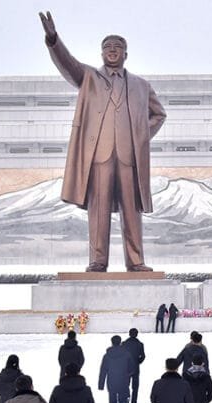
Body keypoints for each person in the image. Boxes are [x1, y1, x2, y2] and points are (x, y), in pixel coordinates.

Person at [38, 11, 166, 273]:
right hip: (99, 156)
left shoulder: (141, 86)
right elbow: (67, 63)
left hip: (129, 158)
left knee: (132, 210)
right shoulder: (89, 78)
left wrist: (140, 136)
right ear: (101, 53)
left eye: (117, 48)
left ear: (126, 54)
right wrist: (53, 39)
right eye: (107, 47)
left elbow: (159, 114)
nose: (112, 51)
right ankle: (98, 261)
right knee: (98, 211)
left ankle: (136, 261)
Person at [98, 335, 137, 403]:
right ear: (120, 342)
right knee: (122, 401)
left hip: (111, 381)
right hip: (123, 381)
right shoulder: (127, 354)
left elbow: (103, 370)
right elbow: (132, 368)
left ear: (111, 342)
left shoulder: (107, 355)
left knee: (112, 400)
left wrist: (101, 384)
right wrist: (127, 374)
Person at [123, 328, 146, 403]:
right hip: (136, 367)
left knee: (125, 384)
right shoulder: (140, 344)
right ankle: (134, 402)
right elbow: (143, 356)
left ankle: (126, 398)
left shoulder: (124, 343)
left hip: (126, 367)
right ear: (137, 334)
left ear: (129, 334)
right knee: (135, 386)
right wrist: (138, 362)